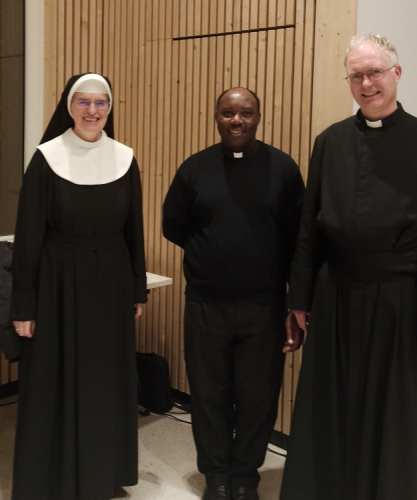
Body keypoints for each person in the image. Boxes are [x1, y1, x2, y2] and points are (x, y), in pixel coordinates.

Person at [280, 34, 417, 500]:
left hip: (400, 296)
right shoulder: (330, 141)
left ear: (396, 73)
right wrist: (299, 299)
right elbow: (308, 227)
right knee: (332, 401)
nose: (366, 84)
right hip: (335, 292)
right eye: (356, 76)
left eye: (374, 72)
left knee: (391, 405)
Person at [163, 87, 304, 500]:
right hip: (206, 304)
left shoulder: (283, 169)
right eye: (228, 113)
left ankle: (245, 477)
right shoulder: (194, 169)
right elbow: (173, 226)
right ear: (216, 116)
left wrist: (294, 303)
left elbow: (298, 236)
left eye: (246, 113)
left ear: (258, 117)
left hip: (265, 306)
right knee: (209, 395)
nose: (237, 120)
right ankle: (217, 476)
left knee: (259, 397)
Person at [11, 73, 147, 500]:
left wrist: (137, 289)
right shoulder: (46, 159)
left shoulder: (124, 158)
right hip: (57, 287)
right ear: (69, 107)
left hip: (111, 286)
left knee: (104, 381)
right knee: (56, 380)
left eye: (100, 102)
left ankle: (100, 475)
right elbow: (28, 237)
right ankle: (54, 478)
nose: (92, 111)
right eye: (83, 102)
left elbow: (134, 231)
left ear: (110, 107)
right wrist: (23, 305)